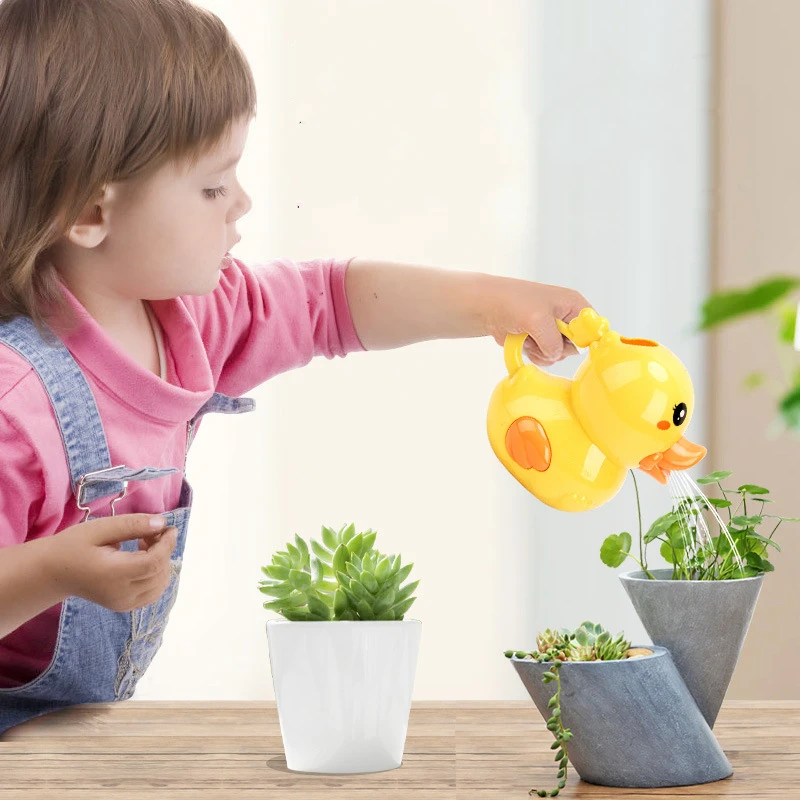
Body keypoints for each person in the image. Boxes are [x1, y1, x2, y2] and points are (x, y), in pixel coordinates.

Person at [0, 0, 590, 733]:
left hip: (71, 742)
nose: (241, 204)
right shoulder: (15, 404)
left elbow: (330, 302)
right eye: (213, 186)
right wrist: (53, 571)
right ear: (90, 213)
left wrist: (490, 303)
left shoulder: (195, 317)